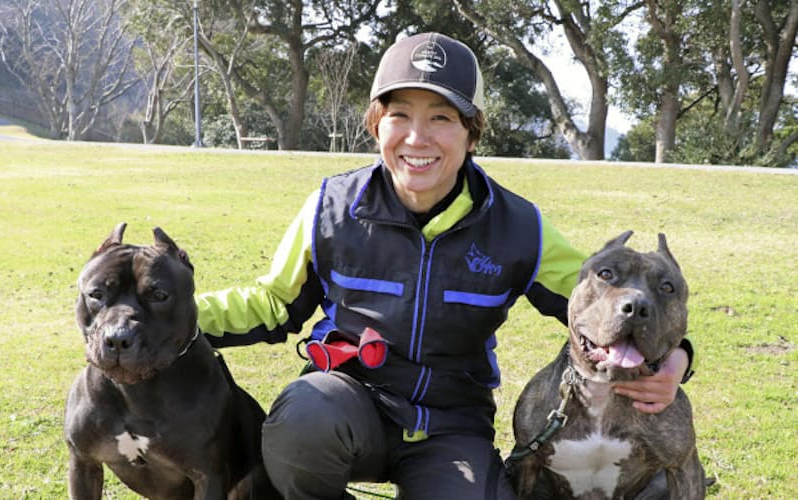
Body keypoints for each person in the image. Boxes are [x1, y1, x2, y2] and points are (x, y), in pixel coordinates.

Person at [196, 32, 693, 500]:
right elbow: (271, 303)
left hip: (451, 425)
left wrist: (677, 358)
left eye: (441, 118)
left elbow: (597, 305)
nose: (417, 138)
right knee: (301, 420)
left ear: (471, 132)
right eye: (399, 115)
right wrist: (164, 316)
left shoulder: (519, 226)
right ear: (375, 125)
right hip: (348, 401)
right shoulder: (330, 208)